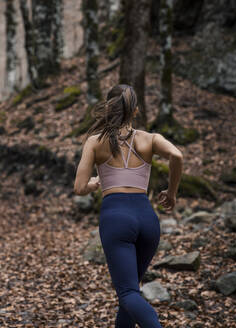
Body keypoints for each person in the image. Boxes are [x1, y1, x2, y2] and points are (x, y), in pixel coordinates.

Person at [73, 84, 183, 327]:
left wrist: (93, 184)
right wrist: (172, 193)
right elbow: (177, 156)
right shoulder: (150, 139)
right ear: (134, 111)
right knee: (131, 291)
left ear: (109, 108)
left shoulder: (94, 142)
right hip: (148, 220)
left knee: (127, 293)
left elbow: (79, 188)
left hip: (116, 219)